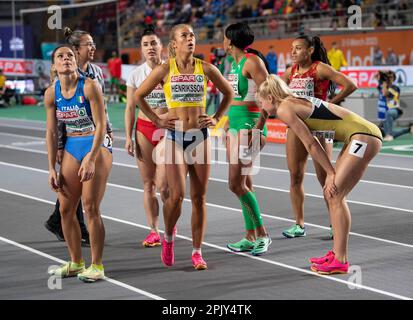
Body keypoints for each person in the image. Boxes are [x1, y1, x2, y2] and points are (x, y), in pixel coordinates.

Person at [257, 74, 382, 274]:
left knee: (335, 194)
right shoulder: (293, 100)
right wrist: (331, 172)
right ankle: (337, 253)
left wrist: (330, 173)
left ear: (270, 97)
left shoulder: (284, 108)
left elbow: (311, 144)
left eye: (261, 102)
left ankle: (340, 260)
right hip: (359, 136)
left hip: (364, 137)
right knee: (333, 195)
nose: (262, 107)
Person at [135, 24, 233, 270]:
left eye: (192, 35)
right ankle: (168, 237)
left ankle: (197, 252)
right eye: (184, 35)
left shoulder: (206, 68)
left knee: (199, 198)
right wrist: (157, 120)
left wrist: (217, 118)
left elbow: (229, 93)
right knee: (176, 196)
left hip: (200, 136)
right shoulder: (165, 68)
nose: (190, 38)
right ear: (174, 43)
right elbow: (138, 96)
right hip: (174, 137)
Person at [45, 45, 113, 282]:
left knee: (90, 206)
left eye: (70, 55)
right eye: (60, 56)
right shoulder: (51, 93)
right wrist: (51, 168)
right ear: (54, 65)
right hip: (73, 145)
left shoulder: (89, 86)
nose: (66, 59)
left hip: (96, 144)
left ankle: (97, 265)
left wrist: (92, 158)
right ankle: (75, 262)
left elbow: (102, 125)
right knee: (65, 208)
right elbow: (52, 132)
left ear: (76, 61)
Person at [281, 35, 357, 239]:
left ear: (310, 50)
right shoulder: (290, 72)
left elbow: (350, 85)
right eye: (292, 48)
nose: (293, 52)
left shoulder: (320, 69)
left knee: (326, 178)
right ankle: (299, 224)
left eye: (298, 48)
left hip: (320, 128)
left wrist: (331, 104)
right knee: (295, 176)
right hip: (297, 128)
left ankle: (335, 222)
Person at [223, 22, 272, 255]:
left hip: (249, 123)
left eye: (224, 38)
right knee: (245, 183)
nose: (222, 42)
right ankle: (250, 234)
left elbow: (269, 94)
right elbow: (234, 97)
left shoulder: (252, 61)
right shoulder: (234, 64)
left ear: (231, 41)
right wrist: (225, 124)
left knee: (235, 183)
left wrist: (259, 126)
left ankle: (262, 234)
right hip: (234, 124)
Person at [125, 26, 169, 248]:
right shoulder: (135, 75)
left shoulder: (172, 70)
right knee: (148, 185)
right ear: (141, 50)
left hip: (168, 128)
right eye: (145, 44)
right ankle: (154, 230)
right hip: (143, 128)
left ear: (161, 46)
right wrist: (128, 136)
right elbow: (130, 108)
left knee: (164, 185)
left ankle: (170, 226)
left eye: (153, 43)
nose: (150, 47)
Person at [380, 71, 413, 141]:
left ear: (394, 78)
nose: (389, 78)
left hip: (396, 110)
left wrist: (385, 83)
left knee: (388, 114)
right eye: (388, 77)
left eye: (391, 77)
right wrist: (382, 77)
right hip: (387, 111)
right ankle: (409, 129)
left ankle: (389, 135)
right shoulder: (384, 86)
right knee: (384, 131)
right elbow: (383, 92)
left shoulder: (395, 88)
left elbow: (386, 94)